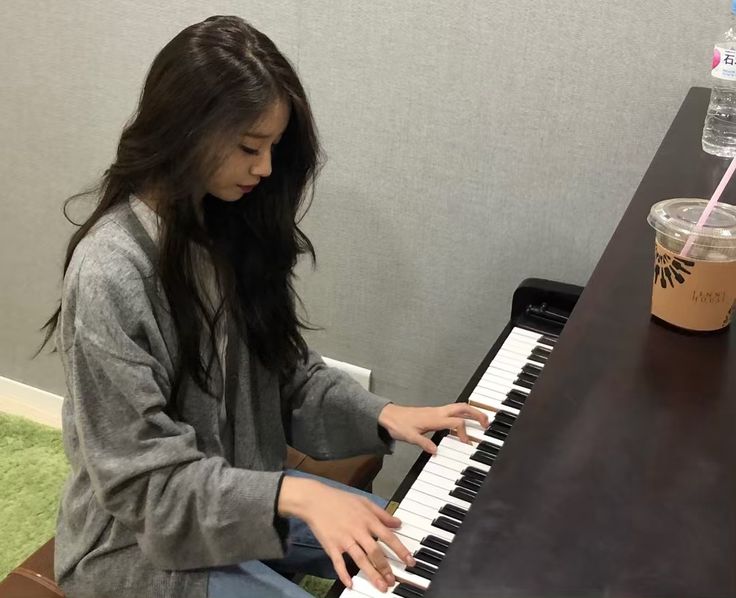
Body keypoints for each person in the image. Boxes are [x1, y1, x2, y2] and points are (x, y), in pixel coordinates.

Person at [40, 15, 488, 598]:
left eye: (274, 147)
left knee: (425, 547)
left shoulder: (225, 226)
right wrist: (295, 493)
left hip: (239, 499)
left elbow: (287, 375)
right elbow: (143, 488)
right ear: (185, 131)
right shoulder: (109, 273)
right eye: (250, 147)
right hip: (133, 546)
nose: (266, 168)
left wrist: (386, 414)